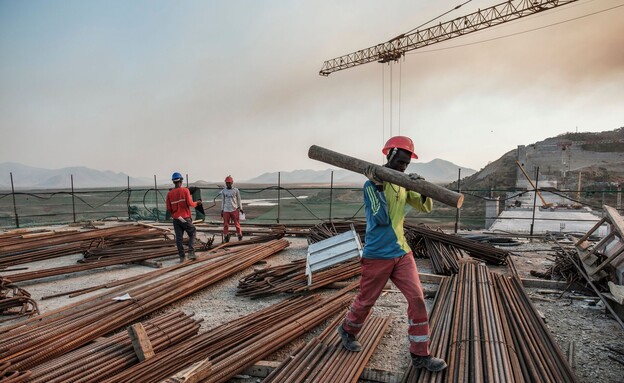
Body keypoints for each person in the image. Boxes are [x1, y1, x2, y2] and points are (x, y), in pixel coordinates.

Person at [337, 136, 447, 372]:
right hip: (377, 253)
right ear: (390, 155)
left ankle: (420, 355)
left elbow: (423, 206)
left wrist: (420, 187)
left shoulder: (403, 181)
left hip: (402, 251)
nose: (404, 166)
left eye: (408, 163)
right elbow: (381, 218)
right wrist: (377, 186)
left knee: (417, 299)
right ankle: (347, 330)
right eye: (401, 161)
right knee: (367, 300)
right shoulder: (370, 186)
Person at [165, 172, 201, 262]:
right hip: (185, 218)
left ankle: (182, 257)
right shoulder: (185, 191)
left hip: (176, 219)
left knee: (179, 238)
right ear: (180, 181)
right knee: (192, 231)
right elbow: (190, 204)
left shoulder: (169, 194)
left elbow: (169, 208)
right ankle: (191, 253)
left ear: (173, 182)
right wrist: (198, 203)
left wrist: (175, 212)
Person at [220, 175, 244, 242]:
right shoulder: (224, 191)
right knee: (226, 225)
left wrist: (241, 208)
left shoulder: (235, 190)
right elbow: (223, 201)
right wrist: (222, 210)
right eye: (227, 183)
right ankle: (226, 236)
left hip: (234, 209)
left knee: (237, 224)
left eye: (229, 183)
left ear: (232, 183)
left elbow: (239, 199)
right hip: (226, 210)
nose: (228, 184)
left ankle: (240, 236)